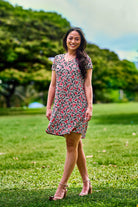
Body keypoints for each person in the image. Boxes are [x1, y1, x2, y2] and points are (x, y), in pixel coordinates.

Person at [46, 27, 93, 201]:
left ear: (81, 42)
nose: (73, 41)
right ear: (66, 39)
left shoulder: (85, 60)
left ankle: (61, 188)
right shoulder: (58, 60)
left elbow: (88, 85)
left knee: (71, 146)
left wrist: (90, 107)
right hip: (62, 106)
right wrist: (49, 107)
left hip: (79, 107)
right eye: (71, 38)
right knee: (76, 144)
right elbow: (53, 85)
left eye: (77, 39)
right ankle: (86, 183)